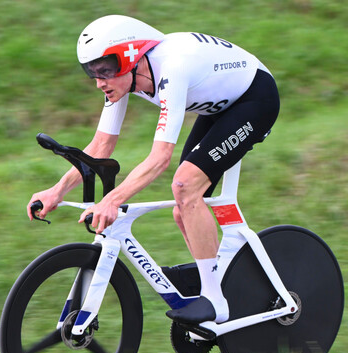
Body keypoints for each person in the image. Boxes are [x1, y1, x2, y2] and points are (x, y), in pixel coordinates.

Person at [27, 15, 280, 325]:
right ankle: (223, 288)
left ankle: (216, 302)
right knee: (183, 208)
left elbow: (160, 158)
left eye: (104, 70)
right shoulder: (125, 80)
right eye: (92, 71)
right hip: (219, 105)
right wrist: (57, 190)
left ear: (131, 56)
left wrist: (113, 199)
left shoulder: (172, 67)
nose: (99, 81)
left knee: (186, 188)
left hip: (255, 99)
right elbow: (100, 147)